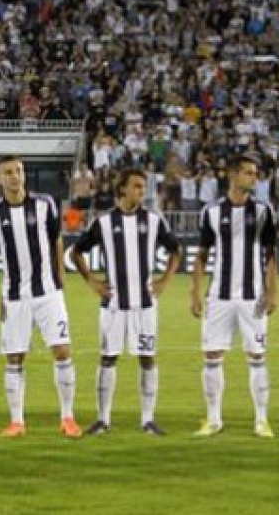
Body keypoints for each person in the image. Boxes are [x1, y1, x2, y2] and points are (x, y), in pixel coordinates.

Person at [72, 168, 182, 436]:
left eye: (143, 187)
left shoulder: (153, 221)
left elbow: (176, 250)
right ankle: (103, 419)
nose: (142, 191)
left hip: (145, 305)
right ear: (122, 188)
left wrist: (165, 280)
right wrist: (92, 281)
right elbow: (76, 252)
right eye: (137, 186)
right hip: (113, 305)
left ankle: (148, 420)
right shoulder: (104, 223)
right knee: (108, 358)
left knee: (147, 358)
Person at [0, 155, 82, 438]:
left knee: (62, 351)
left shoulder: (44, 204)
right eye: (8, 172)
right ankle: (17, 422)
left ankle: (68, 418)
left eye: (19, 171)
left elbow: (56, 239)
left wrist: (60, 274)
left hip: (47, 293)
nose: (15, 176)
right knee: (14, 358)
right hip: (14, 297)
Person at [190, 155, 279, 438]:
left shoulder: (264, 210)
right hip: (219, 295)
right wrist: (195, 291)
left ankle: (262, 420)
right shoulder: (212, 212)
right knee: (212, 355)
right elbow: (201, 254)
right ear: (233, 175)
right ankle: (213, 419)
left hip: (254, 297)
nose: (254, 178)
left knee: (257, 355)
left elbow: (271, 255)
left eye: (255, 173)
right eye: (249, 173)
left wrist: (272, 291)